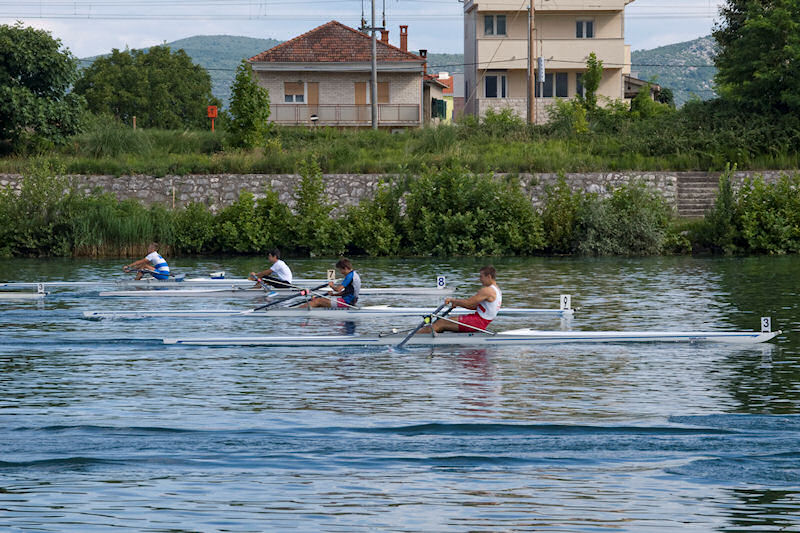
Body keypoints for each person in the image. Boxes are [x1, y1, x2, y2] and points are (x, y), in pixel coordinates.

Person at [419, 265, 501, 334]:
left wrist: (453, 300)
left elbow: (469, 303)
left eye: (481, 276)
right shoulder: (497, 290)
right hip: (480, 322)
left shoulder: (487, 290)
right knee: (443, 321)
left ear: (489, 276)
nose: (479, 279)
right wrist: (458, 303)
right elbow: (473, 306)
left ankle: (416, 337)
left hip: (477, 322)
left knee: (441, 322)